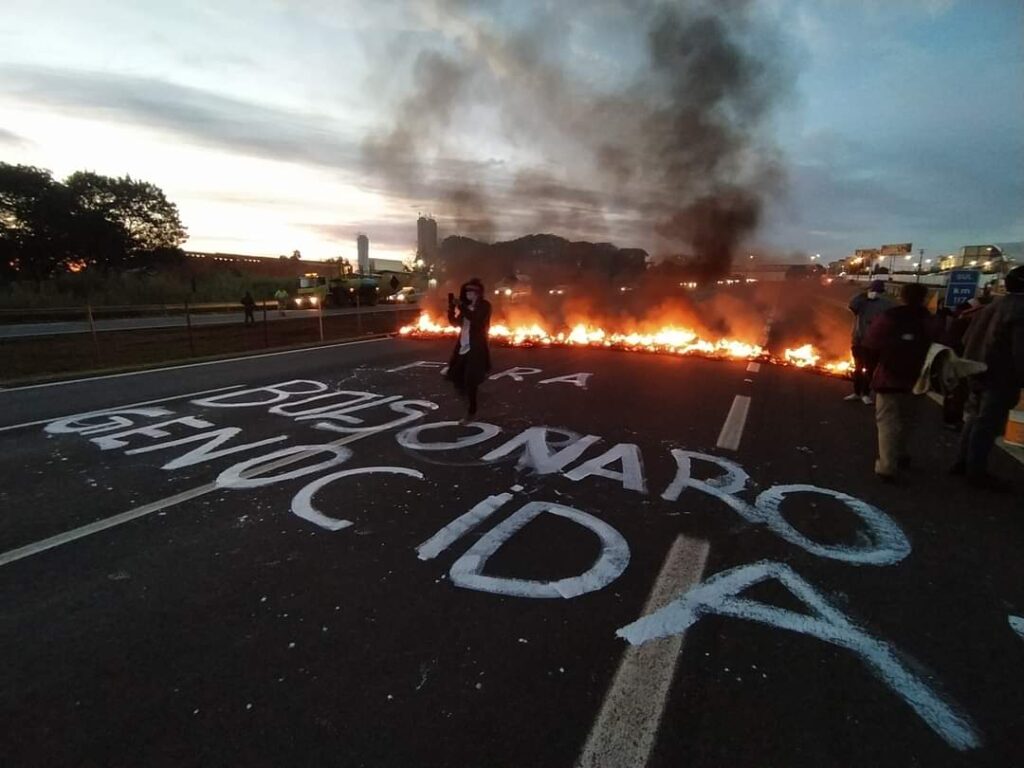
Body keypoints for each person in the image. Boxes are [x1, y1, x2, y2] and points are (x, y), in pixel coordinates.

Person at [953, 265, 1024, 490]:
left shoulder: (991, 307)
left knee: (974, 417)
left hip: (975, 370)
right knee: (987, 424)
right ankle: (976, 472)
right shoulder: (1020, 311)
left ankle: (962, 462)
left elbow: (966, 340)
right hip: (1000, 376)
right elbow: (1020, 351)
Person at [863, 282, 938, 482]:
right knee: (908, 420)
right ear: (924, 297)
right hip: (918, 379)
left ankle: (887, 466)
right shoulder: (930, 320)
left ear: (902, 296)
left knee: (887, 421)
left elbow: (871, 341)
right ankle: (901, 454)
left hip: (889, 377)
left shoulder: (890, 316)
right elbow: (941, 343)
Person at [446, 278, 492, 418]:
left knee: (470, 379)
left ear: (478, 293)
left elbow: (477, 321)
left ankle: (471, 411)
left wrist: (462, 307)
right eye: (466, 292)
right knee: (455, 377)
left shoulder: (484, 306)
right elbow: (455, 323)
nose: (467, 295)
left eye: (470, 292)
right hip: (463, 345)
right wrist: (451, 308)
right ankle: (469, 400)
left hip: (476, 347)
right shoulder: (466, 307)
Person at [847, 280, 895, 404]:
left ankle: (866, 394)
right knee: (858, 368)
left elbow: (890, 320)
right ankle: (857, 392)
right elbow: (852, 305)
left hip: (875, 342)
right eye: (873, 291)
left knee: (870, 369)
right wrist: (863, 294)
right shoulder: (862, 303)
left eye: (877, 291)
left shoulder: (886, 304)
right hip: (859, 340)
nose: (875, 293)